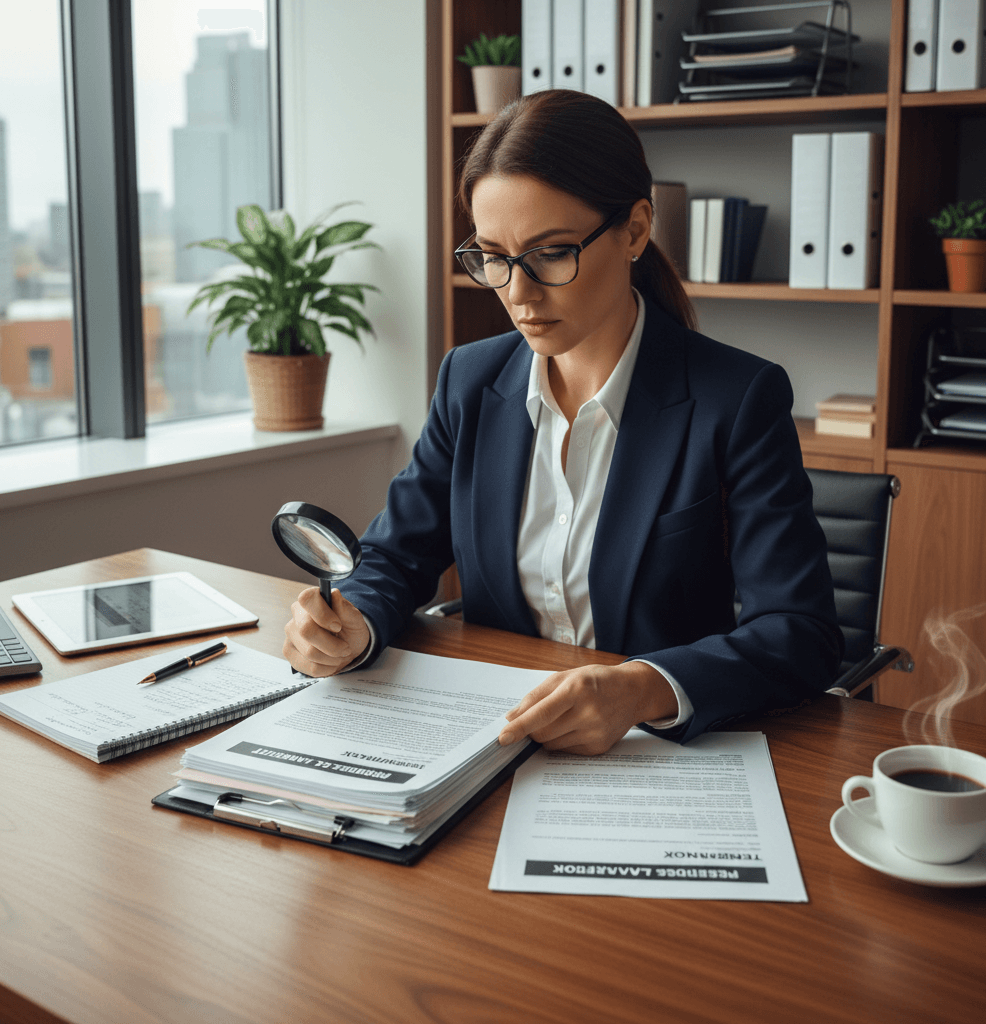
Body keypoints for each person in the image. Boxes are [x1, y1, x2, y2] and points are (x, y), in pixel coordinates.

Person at [283, 89, 842, 755]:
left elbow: (800, 631)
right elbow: (395, 554)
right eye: (492, 255)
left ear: (635, 229)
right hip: (496, 740)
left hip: (655, 752)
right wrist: (355, 624)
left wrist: (639, 687)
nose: (516, 293)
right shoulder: (470, 380)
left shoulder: (738, 397)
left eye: (550, 253)